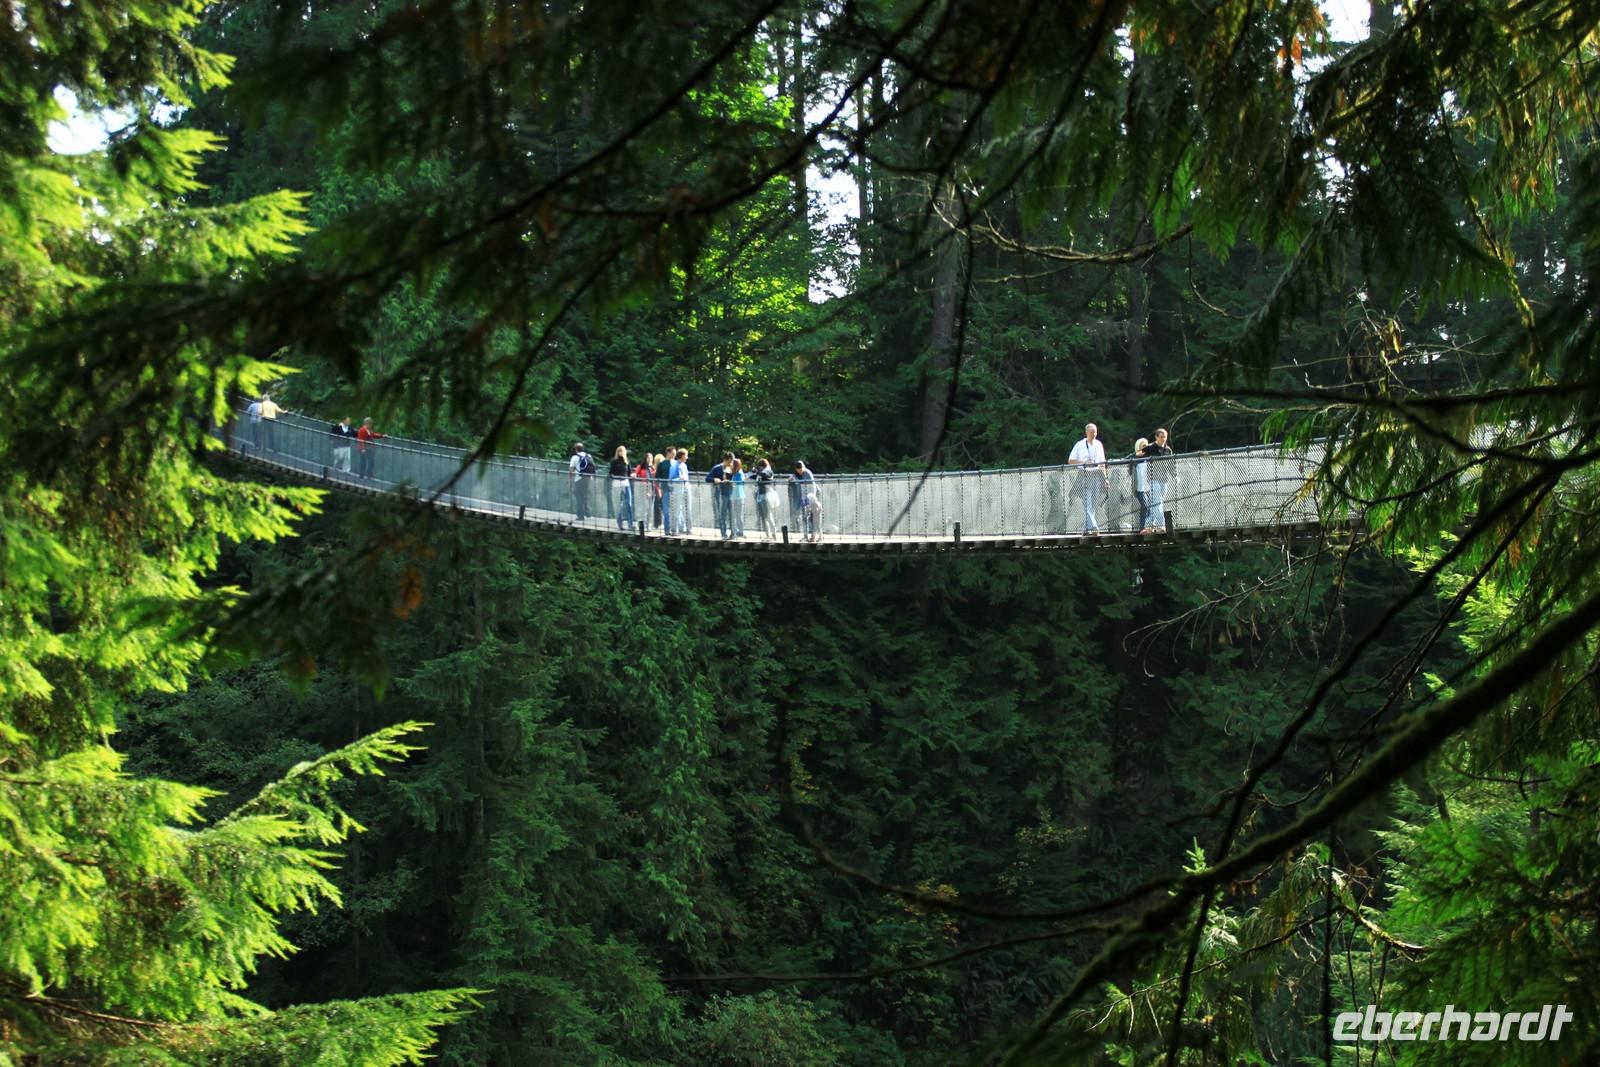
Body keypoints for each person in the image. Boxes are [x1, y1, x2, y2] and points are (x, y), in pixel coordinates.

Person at [1067, 422, 1108, 534]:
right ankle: (1094, 527)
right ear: (1086, 433)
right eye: (1091, 432)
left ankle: (1086, 529)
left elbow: (1102, 463)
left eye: (1095, 432)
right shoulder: (1079, 445)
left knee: (1093, 504)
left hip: (1097, 475)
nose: (1093, 434)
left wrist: (1105, 479)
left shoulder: (1099, 444)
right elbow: (1070, 460)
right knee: (1087, 503)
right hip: (1084, 475)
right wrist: (1084, 463)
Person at [1146, 427, 1174, 532]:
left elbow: (1171, 464)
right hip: (1153, 479)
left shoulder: (1168, 450)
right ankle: (1161, 525)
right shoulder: (1150, 448)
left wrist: (1174, 475)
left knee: (1159, 502)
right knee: (1158, 502)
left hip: (1164, 479)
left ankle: (1148, 524)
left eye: (1165, 437)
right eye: (1161, 437)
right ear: (1156, 437)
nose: (1163, 439)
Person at [789, 460, 816, 538]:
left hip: (810, 497)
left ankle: (812, 534)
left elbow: (809, 484)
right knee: (804, 516)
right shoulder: (796, 474)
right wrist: (792, 479)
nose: (800, 471)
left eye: (801, 469)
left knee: (810, 516)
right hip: (803, 497)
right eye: (798, 470)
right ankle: (805, 535)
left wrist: (811, 499)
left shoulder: (807, 473)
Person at [569, 442, 595, 521]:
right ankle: (588, 512)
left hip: (579, 479)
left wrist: (569, 480)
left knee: (579, 497)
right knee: (586, 495)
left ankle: (580, 516)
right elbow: (593, 466)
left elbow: (571, 470)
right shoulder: (589, 456)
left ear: (576, 449)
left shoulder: (574, 457)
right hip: (588, 478)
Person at [753, 458, 778, 539]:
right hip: (760, 496)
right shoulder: (761, 473)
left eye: (761, 466)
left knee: (768, 516)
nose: (760, 468)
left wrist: (757, 472)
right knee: (764, 517)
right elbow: (756, 476)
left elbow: (765, 475)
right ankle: (768, 534)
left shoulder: (769, 471)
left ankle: (773, 534)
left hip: (767, 496)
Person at [1130, 436, 1151, 533]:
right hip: (1139, 488)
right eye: (1143, 446)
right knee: (1145, 506)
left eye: (1146, 446)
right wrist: (1136, 454)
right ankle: (1143, 527)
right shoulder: (1134, 458)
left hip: (1149, 487)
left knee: (1150, 506)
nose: (1145, 448)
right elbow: (1126, 460)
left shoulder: (1149, 456)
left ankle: (1146, 526)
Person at [610, 445, 634, 529]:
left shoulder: (626, 462)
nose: (620, 453)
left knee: (629, 504)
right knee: (618, 505)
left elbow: (629, 473)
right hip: (616, 484)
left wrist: (633, 475)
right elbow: (610, 473)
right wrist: (614, 477)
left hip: (625, 483)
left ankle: (630, 525)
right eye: (619, 451)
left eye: (622, 451)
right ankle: (620, 525)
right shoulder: (614, 461)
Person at [635, 453, 659, 529]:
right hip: (643, 488)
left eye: (651, 458)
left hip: (652, 489)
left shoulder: (653, 468)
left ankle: (648, 524)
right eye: (648, 458)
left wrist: (658, 490)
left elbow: (655, 480)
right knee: (644, 507)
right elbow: (636, 474)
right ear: (645, 458)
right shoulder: (640, 467)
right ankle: (642, 524)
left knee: (650, 508)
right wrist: (634, 475)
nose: (650, 459)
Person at [672, 448, 692, 533]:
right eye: (686, 455)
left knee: (689, 508)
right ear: (682, 456)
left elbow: (686, 477)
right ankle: (675, 529)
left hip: (686, 488)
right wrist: (679, 479)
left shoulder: (685, 466)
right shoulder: (674, 466)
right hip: (678, 489)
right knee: (677, 509)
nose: (687, 457)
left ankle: (689, 528)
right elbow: (671, 479)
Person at [656, 449, 676, 533]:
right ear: (668, 453)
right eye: (673, 453)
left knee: (675, 510)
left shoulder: (676, 463)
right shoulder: (661, 464)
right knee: (666, 510)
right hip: (665, 490)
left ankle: (675, 529)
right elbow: (657, 477)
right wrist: (659, 490)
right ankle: (667, 530)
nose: (674, 455)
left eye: (675, 453)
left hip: (675, 490)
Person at [728, 457, 746, 539]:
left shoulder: (739, 473)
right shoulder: (734, 474)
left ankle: (740, 532)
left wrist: (731, 482)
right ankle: (734, 532)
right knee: (733, 515)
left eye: (732, 463)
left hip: (739, 496)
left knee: (738, 515)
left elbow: (740, 482)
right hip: (733, 496)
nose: (731, 465)